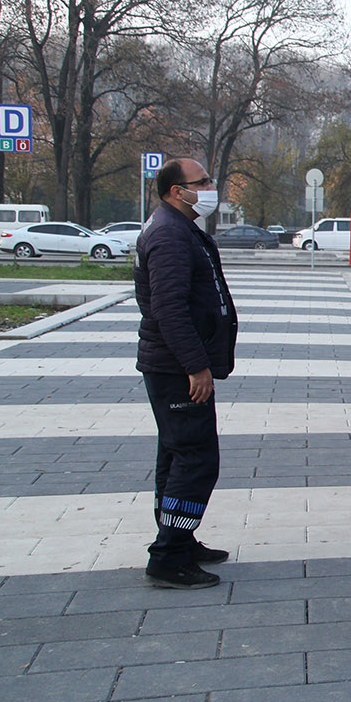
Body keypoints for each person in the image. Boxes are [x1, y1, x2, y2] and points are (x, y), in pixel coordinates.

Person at [133, 158, 238, 590]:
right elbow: (169, 308)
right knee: (196, 459)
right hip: (178, 369)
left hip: (175, 364)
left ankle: (178, 537)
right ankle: (168, 555)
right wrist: (196, 366)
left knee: (177, 455)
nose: (212, 187)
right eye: (203, 182)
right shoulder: (169, 234)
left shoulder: (179, 228)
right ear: (178, 190)